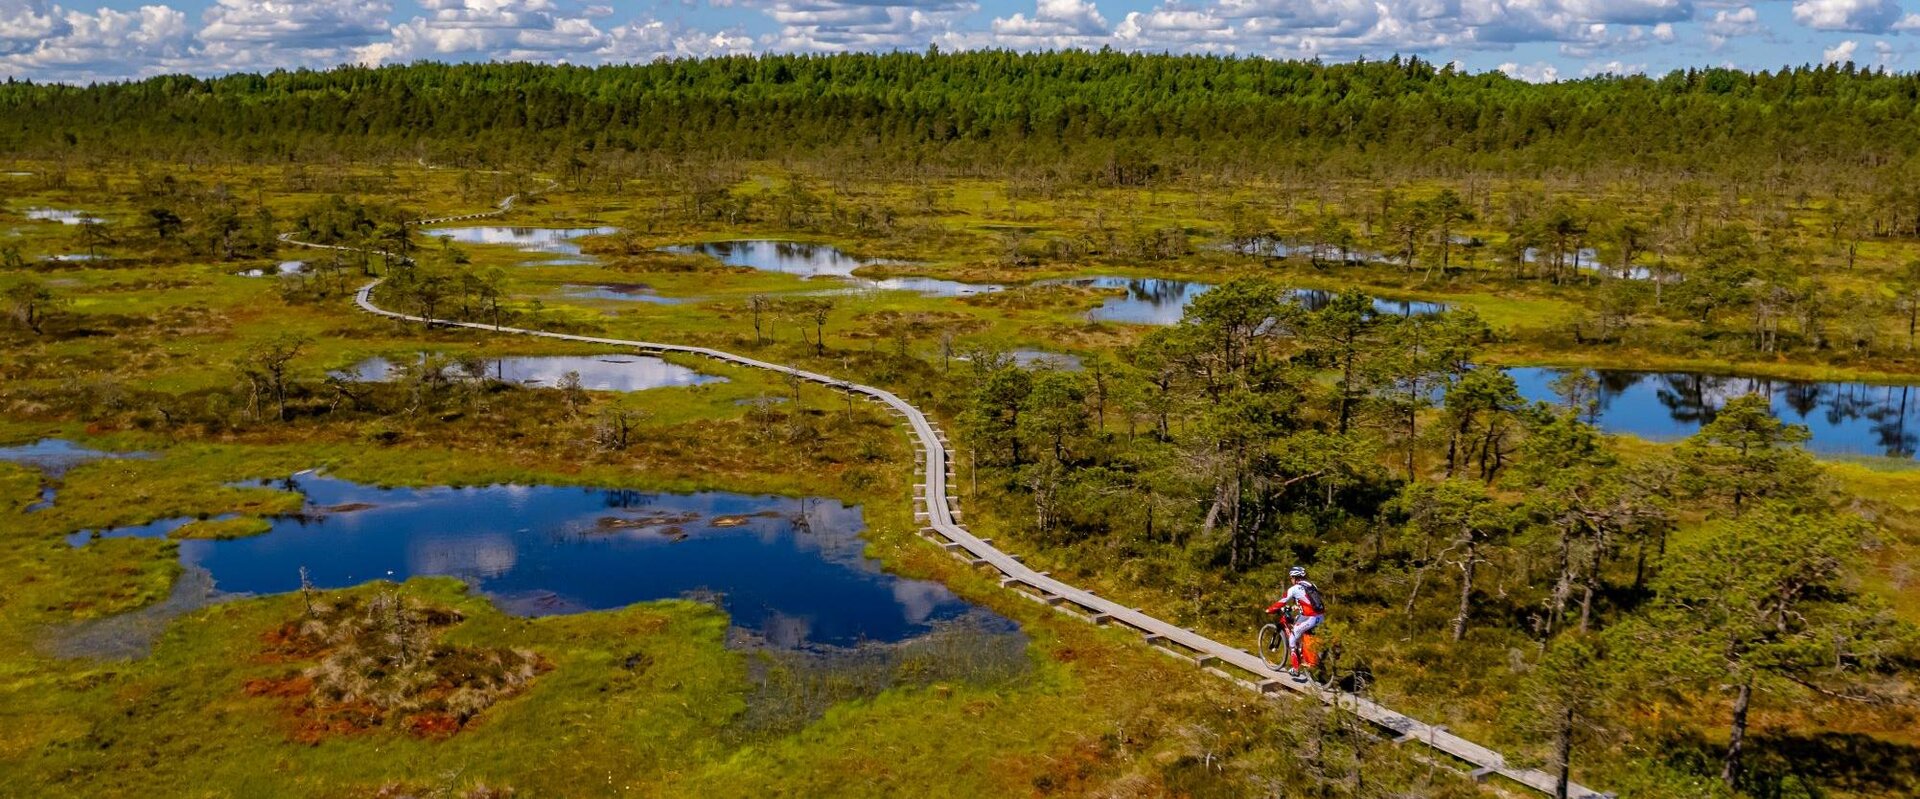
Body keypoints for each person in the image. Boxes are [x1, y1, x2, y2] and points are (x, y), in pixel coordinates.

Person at [1265, 565, 1324, 681]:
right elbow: (1310, 602)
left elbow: (1281, 601)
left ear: (1295, 577)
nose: (1291, 580)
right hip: (1320, 617)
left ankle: (1296, 668)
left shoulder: (1294, 588)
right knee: (1298, 623)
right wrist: (1295, 607)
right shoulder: (1311, 585)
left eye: (1291, 577)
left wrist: (1270, 609)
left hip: (1310, 618)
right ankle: (1305, 653)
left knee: (1292, 638)